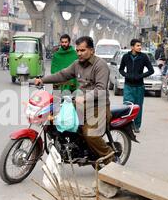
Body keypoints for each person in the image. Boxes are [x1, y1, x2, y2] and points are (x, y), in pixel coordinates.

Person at [35, 36, 114, 164]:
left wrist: (84, 98)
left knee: (90, 134)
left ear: (92, 50)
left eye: (82, 50)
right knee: (58, 121)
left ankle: (110, 159)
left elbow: (101, 89)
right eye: (77, 50)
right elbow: (62, 75)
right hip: (79, 104)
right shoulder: (77, 64)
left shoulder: (100, 65)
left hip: (97, 107)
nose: (79, 53)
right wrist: (42, 80)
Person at [119, 39, 154, 133]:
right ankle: (127, 124)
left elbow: (151, 70)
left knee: (138, 107)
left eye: (140, 45)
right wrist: (127, 75)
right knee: (127, 106)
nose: (140, 47)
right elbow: (121, 70)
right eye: (138, 45)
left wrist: (140, 76)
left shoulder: (144, 57)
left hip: (139, 86)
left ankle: (137, 125)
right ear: (132, 47)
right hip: (128, 86)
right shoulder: (126, 57)